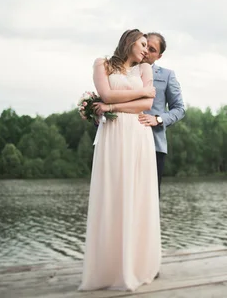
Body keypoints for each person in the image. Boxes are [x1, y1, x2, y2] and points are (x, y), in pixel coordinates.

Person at [78, 29, 161, 292]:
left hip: (137, 135)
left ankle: (136, 266)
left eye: (149, 47)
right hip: (113, 136)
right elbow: (106, 94)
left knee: (136, 196)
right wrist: (134, 96)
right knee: (112, 194)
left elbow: (146, 105)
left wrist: (113, 107)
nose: (147, 50)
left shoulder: (145, 69)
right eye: (143, 44)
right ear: (129, 42)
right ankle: (108, 268)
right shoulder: (101, 64)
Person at [138, 32, 186, 197]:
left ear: (159, 56)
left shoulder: (167, 75)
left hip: (154, 145)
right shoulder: (124, 71)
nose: (146, 51)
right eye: (144, 45)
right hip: (125, 141)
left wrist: (158, 119)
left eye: (152, 49)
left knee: (149, 198)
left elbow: (179, 108)